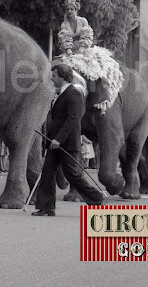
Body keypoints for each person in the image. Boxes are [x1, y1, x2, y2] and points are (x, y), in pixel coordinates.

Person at [32, 64, 106, 217]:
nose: (51, 78)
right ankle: (47, 208)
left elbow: (73, 119)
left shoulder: (74, 93)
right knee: (47, 173)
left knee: (73, 175)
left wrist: (59, 138)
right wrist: (52, 139)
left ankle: (97, 198)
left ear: (62, 77)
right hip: (54, 143)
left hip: (66, 143)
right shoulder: (60, 94)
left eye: (54, 75)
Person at [55, 0, 124, 115]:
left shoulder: (83, 21)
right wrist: (69, 52)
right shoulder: (64, 24)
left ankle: (97, 99)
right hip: (70, 51)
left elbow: (86, 37)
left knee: (95, 71)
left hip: (83, 50)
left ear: (76, 10)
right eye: (67, 9)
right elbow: (65, 39)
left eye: (72, 9)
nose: (69, 12)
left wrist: (80, 50)